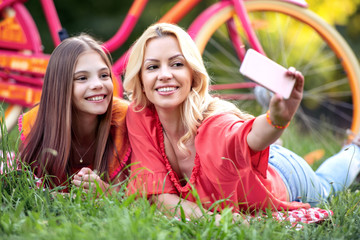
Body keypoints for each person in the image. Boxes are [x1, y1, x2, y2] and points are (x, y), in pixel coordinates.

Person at [123, 23, 360, 219]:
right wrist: (214, 220)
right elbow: (157, 196)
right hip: (252, 166)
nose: (164, 74)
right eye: (153, 67)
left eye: (176, 64)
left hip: (286, 176)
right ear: (140, 78)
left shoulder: (213, 124)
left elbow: (250, 137)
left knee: (325, 186)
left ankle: (355, 151)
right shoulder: (140, 116)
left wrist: (276, 119)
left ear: (193, 74)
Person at [18, 34, 131, 194]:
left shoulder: (125, 119)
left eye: (104, 75)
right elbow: (25, 190)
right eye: (82, 78)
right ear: (60, 86)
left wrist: (105, 192)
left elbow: (140, 194)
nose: (98, 84)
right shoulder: (35, 123)